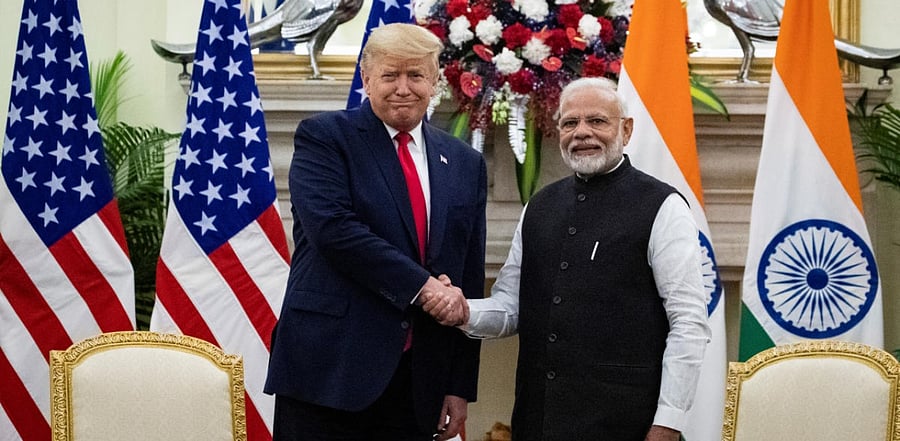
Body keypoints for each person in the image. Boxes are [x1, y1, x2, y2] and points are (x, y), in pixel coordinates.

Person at [448, 77, 710, 441]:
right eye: (570, 123)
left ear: (626, 129)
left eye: (597, 121)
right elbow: (511, 307)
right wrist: (463, 311)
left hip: (627, 427)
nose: (582, 132)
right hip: (537, 422)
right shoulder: (538, 207)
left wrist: (667, 424)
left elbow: (689, 323)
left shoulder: (663, 207)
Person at [264, 23, 487, 441]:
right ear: (366, 79)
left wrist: (458, 385)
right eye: (390, 75)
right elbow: (335, 231)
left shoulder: (463, 161)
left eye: (416, 75)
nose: (403, 88)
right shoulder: (325, 137)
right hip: (329, 372)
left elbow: (468, 273)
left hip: (419, 380)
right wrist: (425, 288)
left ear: (435, 80)